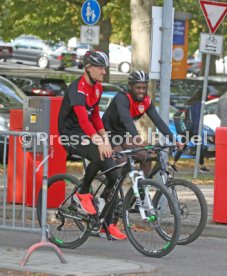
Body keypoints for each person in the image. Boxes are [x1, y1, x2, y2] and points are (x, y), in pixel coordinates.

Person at [58, 50, 127, 240]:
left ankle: (106, 222)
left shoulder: (97, 88)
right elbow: (83, 120)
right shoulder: (76, 89)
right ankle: (83, 192)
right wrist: (100, 142)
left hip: (87, 133)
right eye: (100, 68)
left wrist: (104, 138)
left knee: (115, 175)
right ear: (88, 68)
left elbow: (95, 116)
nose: (104, 72)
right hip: (70, 135)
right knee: (100, 153)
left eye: (105, 68)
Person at [102, 70, 180, 175]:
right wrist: (138, 140)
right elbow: (127, 121)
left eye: (144, 88)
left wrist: (174, 140)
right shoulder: (122, 98)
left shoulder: (146, 101)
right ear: (130, 87)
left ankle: (144, 187)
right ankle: (112, 189)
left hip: (122, 136)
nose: (141, 91)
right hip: (107, 135)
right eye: (138, 88)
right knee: (123, 161)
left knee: (147, 157)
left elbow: (158, 121)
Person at [171, 88, 209, 173]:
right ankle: (201, 166)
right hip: (194, 129)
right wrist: (197, 131)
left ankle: (172, 163)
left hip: (187, 128)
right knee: (200, 147)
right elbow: (196, 118)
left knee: (184, 146)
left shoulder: (190, 102)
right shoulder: (199, 104)